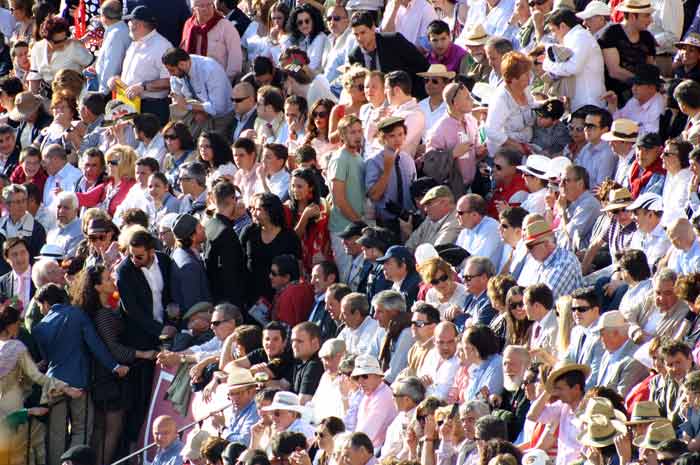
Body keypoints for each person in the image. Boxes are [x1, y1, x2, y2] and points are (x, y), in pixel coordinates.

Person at [0, 302, 82, 465]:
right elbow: (37, 377)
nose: (19, 328)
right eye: (18, 324)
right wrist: (66, 388)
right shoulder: (16, 347)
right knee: (21, 453)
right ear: (12, 325)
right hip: (13, 403)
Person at [110, 6, 173, 125]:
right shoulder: (134, 43)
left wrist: (143, 87)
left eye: (130, 21)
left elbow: (170, 80)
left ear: (138, 24)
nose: (128, 24)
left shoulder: (162, 46)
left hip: (152, 108)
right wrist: (116, 79)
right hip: (129, 105)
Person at [347, 11, 430, 99]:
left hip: (406, 99)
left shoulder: (394, 41)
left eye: (363, 33)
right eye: (356, 34)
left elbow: (421, 66)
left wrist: (415, 98)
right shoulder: (355, 56)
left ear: (373, 29)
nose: (360, 38)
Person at [240, 193, 302, 304]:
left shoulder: (289, 237)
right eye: (252, 209)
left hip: (279, 298)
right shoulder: (249, 232)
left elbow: (298, 270)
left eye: (258, 209)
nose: (253, 213)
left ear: (270, 211)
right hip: (251, 297)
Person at [163, 48, 235, 140]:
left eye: (172, 70)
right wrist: (195, 110)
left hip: (220, 119)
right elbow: (177, 99)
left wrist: (189, 106)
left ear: (182, 64)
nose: (170, 74)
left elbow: (218, 107)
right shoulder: (177, 74)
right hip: (195, 117)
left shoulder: (210, 69)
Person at [527, 363, 589, 465]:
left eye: (560, 389)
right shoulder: (562, 407)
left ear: (576, 388)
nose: (556, 393)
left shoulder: (589, 411)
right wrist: (548, 390)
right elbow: (532, 416)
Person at [543, 9, 605, 111]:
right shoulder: (573, 37)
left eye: (553, 30)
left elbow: (573, 67)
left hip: (589, 101)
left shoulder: (580, 36)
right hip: (580, 102)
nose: (553, 35)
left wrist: (547, 64)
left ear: (562, 26)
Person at [328, 115, 365, 280]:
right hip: (343, 230)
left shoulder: (357, 157)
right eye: (352, 132)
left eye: (359, 131)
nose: (357, 136)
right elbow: (339, 199)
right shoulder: (340, 158)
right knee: (346, 277)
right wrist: (359, 223)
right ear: (342, 136)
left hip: (355, 227)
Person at [598, 0, 656, 105]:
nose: (651, 20)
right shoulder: (612, 33)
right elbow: (614, 71)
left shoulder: (648, 38)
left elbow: (651, 68)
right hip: (615, 98)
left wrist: (652, 84)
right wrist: (643, 83)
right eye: (647, 16)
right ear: (632, 16)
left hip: (642, 98)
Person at [365, 116, 417, 233]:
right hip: (385, 222)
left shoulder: (407, 159)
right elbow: (374, 196)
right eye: (392, 136)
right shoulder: (374, 161)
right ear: (383, 138)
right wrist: (387, 171)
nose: (397, 140)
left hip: (407, 219)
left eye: (400, 134)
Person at [425, 82, 480, 189]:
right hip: (452, 189)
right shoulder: (439, 130)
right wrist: (453, 153)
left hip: (474, 185)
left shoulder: (472, 120)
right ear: (455, 103)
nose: (472, 100)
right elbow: (429, 164)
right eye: (467, 98)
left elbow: (475, 150)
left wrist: (479, 151)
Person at [204, 180, 247, 308]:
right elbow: (229, 274)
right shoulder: (226, 233)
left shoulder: (210, 224)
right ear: (233, 199)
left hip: (216, 296)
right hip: (227, 302)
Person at [484, 51, 535, 156]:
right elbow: (491, 131)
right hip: (505, 154)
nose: (529, 77)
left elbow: (531, 105)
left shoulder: (525, 88)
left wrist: (545, 103)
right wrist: (516, 146)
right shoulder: (501, 99)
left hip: (526, 145)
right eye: (525, 74)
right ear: (513, 79)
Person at [27, 16, 93, 96]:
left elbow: (93, 66)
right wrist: (32, 99)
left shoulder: (74, 46)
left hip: (75, 95)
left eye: (65, 39)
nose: (63, 44)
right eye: (58, 42)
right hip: (49, 97)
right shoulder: (37, 48)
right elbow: (34, 78)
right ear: (47, 39)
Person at [180, 0, 242, 79]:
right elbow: (183, 53)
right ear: (193, 10)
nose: (207, 9)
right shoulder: (188, 26)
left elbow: (235, 60)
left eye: (209, 4)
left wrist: (226, 81)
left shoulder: (226, 26)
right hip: (194, 80)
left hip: (219, 81)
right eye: (202, 6)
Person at [594, 310, 649, 396]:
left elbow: (621, 397)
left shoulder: (634, 360)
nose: (599, 338)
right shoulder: (606, 354)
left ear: (615, 333)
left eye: (602, 334)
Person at [351, 354, 398, 450]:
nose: (360, 381)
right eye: (357, 378)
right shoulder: (370, 394)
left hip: (378, 451)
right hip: (369, 448)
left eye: (364, 376)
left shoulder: (383, 395)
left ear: (378, 376)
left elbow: (366, 435)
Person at [170, 213, 211, 311]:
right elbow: (194, 306)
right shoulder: (189, 266)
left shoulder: (179, 253)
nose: (204, 228)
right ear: (192, 237)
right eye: (200, 227)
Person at [372, 290, 413, 382]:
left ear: (394, 312)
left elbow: (394, 372)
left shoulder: (406, 333)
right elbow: (370, 357)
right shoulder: (381, 330)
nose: (374, 316)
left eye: (379, 312)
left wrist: (376, 387)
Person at [380, 376, 425, 460]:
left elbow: (406, 452)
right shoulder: (402, 414)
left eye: (394, 394)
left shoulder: (417, 421)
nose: (392, 398)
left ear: (407, 399)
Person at [405, 186, 461, 251]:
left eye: (429, 204)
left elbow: (438, 252)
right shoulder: (429, 219)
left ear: (444, 202)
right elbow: (409, 246)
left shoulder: (456, 221)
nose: (425, 209)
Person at [456, 194, 505, 267]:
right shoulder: (465, 230)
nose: (456, 216)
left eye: (460, 213)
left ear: (475, 215)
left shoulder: (491, 228)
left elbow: (477, 263)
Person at [95, 0, 131, 94]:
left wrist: (103, 91)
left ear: (104, 16)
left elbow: (111, 64)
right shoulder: (118, 30)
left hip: (110, 90)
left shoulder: (116, 34)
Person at [418, 321, 460, 400]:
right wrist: (421, 382)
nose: (445, 347)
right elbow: (419, 381)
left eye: (450, 342)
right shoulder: (432, 354)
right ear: (434, 341)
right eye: (441, 342)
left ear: (457, 340)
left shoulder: (461, 361)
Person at [42, 144, 81, 210]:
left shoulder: (76, 176)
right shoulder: (50, 178)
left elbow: (76, 206)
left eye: (44, 161)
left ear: (55, 159)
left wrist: (64, 196)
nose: (43, 165)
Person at [308, 261, 340, 341]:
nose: (312, 281)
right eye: (312, 277)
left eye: (316, 277)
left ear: (331, 278)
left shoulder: (337, 303)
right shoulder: (317, 301)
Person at [46, 191, 83, 257]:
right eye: (59, 207)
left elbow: (70, 260)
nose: (61, 211)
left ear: (76, 211)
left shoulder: (80, 231)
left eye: (66, 208)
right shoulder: (53, 229)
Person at [416, 63, 450, 135]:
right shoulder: (420, 106)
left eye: (434, 81)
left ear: (445, 84)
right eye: (426, 80)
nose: (429, 84)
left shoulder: (452, 106)